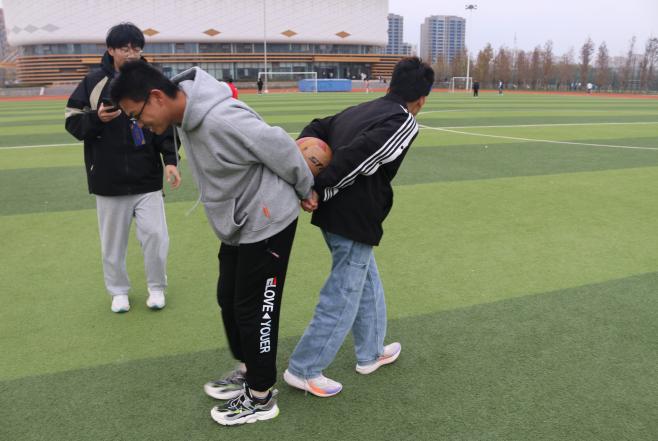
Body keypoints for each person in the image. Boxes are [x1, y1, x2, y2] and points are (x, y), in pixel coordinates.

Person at [110, 61, 315, 426]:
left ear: (156, 97)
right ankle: (250, 369)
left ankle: (261, 395)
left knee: (256, 310)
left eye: (136, 115)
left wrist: (305, 188)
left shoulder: (222, 118)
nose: (138, 124)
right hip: (239, 223)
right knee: (229, 299)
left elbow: (281, 146)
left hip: (267, 219)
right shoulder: (185, 116)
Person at [282, 57, 434, 397]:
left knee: (366, 280)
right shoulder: (404, 121)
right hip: (352, 215)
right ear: (422, 98)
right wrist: (318, 188)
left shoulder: (363, 107)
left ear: (392, 84)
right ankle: (304, 369)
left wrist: (309, 164)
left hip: (339, 216)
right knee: (343, 292)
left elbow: (317, 126)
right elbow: (362, 155)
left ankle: (372, 352)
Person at [65, 23, 180, 314]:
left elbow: (167, 124)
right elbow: (72, 121)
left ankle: (157, 287)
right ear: (110, 50)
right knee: (113, 245)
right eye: (124, 48)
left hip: (147, 178)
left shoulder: (153, 80)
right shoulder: (93, 81)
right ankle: (118, 292)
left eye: (136, 48)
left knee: (156, 237)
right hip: (108, 179)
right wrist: (97, 119)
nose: (131, 53)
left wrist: (170, 161)